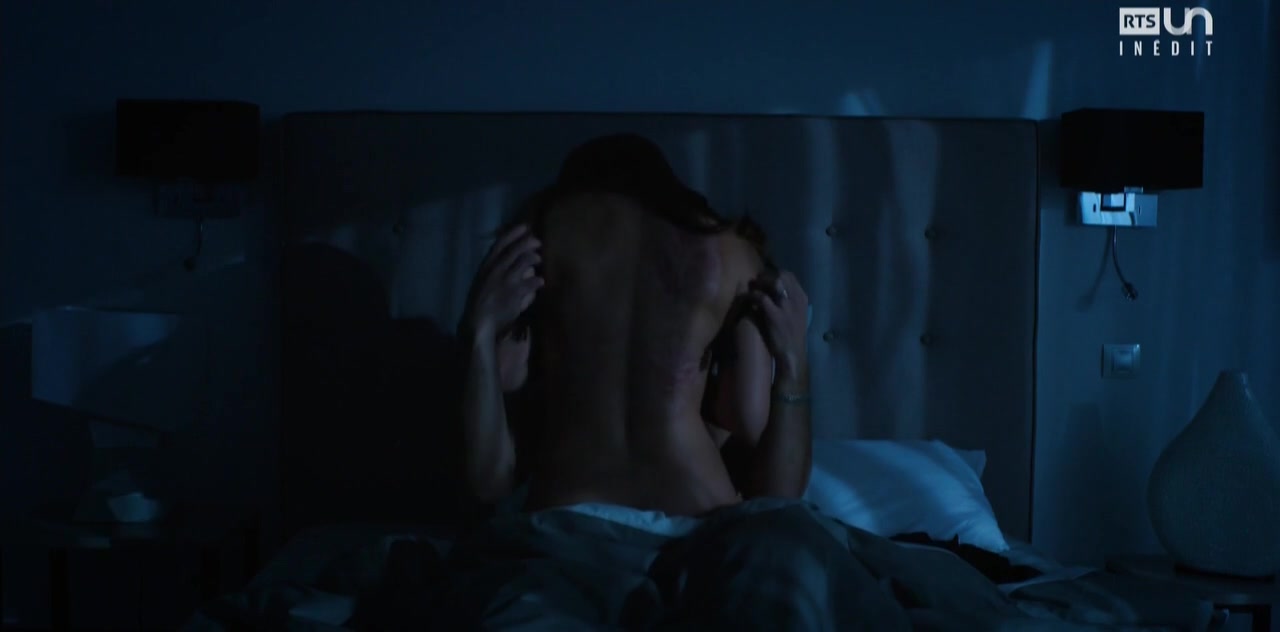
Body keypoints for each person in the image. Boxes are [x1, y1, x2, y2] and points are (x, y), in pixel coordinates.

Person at [439, 135, 914, 630]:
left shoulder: (536, 240)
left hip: (568, 527)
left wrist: (478, 335)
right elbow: (773, 484)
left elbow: (487, 481)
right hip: (707, 529)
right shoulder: (731, 252)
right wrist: (794, 362)